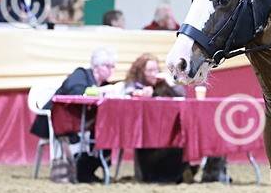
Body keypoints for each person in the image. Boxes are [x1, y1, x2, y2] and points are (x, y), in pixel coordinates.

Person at [30, 48, 123, 183]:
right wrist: (100, 91)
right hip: (57, 121)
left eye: (113, 66)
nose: (110, 70)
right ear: (96, 67)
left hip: (85, 124)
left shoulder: (105, 84)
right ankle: (79, 170)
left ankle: (91, 169)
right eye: (107, 66)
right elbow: (76, 91)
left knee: (107, 131)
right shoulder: (80, 74)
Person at [123, 53, 191, 184]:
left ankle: (178, 175)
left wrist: (169, 81)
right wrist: (141, 95)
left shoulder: (163, 84)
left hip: (167, 129)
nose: (153, 74)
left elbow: (182, 94)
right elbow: (128, 95)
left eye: (156, 70)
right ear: (141, 71)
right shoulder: (134, 84)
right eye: (149, 70)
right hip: (145, 130)